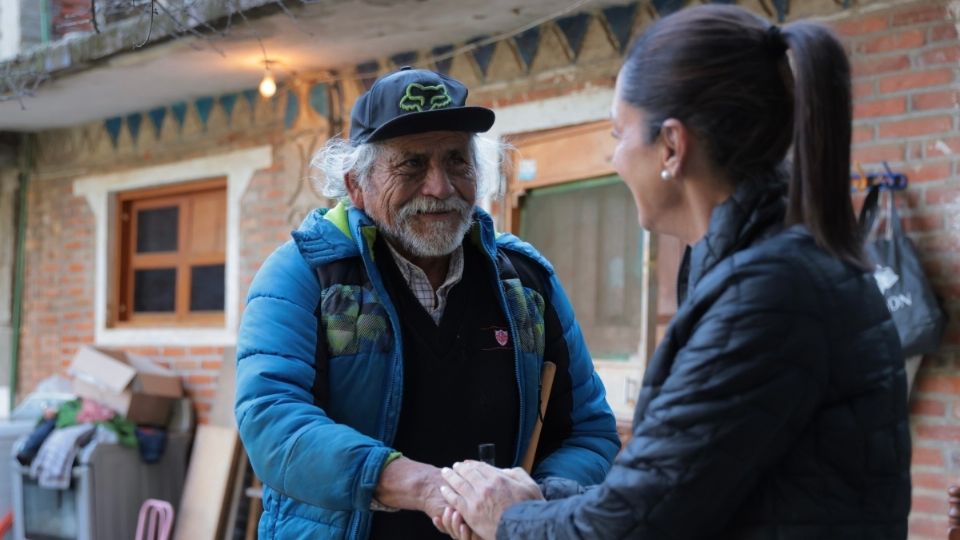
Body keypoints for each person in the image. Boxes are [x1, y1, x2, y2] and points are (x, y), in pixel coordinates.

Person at [439, 5, 911, 540]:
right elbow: (682, 493)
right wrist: (542, 497)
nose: (615, 158)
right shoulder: (770, 271)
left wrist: (508, 517)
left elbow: (636, 529)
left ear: (671, 145)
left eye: (619, 133)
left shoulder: (770, 296)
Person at [234, 67, 620, 540]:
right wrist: (425, 486)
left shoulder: (527, 283)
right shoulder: (305, 274)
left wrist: (530, 502)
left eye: (457, 160)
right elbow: (273, 422)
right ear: (357, 184)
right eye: (412, 164)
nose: (439, 186)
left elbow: (589, 431)